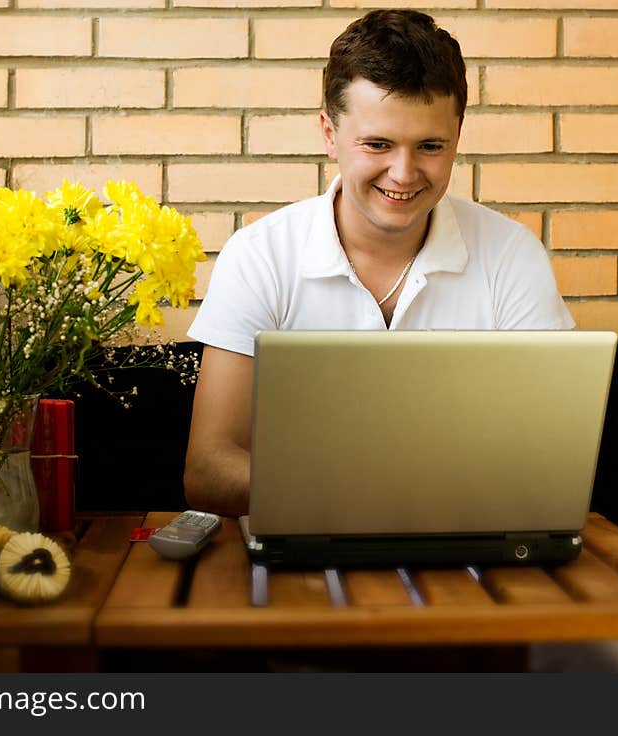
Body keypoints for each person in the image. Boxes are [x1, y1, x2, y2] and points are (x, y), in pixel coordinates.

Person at [184, 9, 573, 518]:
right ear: (329, 133)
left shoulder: (512, 255)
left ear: (457, 136)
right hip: (304, 549)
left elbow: (553, 454)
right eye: (378, 144)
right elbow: (208, 470)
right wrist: (369, 495)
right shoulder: (259, 255)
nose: (404, 173)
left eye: (430, 146)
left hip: (463, 544)